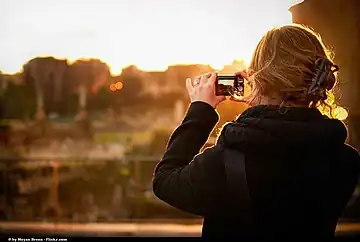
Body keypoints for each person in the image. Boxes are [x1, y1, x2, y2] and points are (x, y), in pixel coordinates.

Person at [152, 24, 360, 239]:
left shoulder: (226, 159)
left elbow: (165, 181)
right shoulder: (346, 161)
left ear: (259, 79)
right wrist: (261, 99)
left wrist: (201, 111)